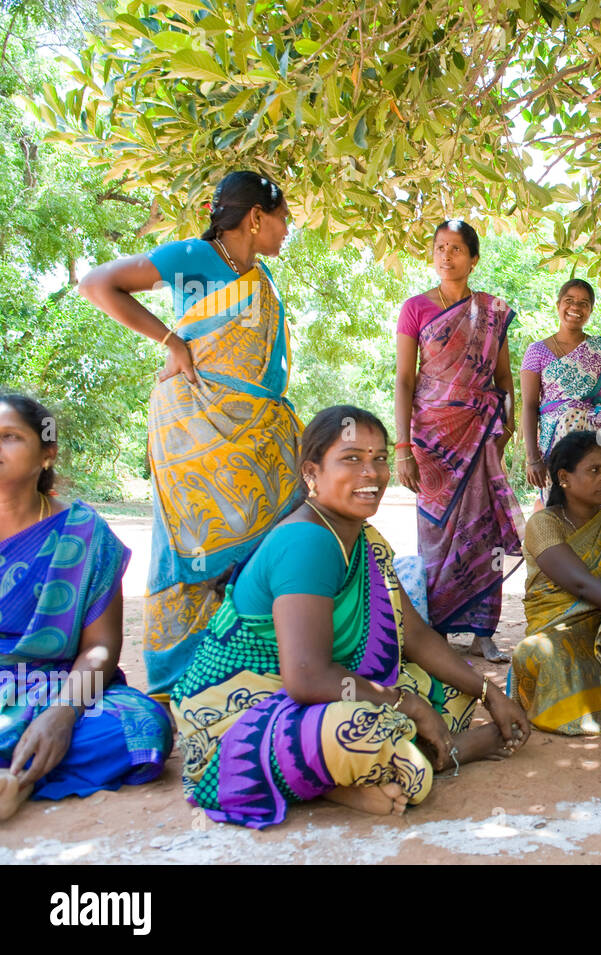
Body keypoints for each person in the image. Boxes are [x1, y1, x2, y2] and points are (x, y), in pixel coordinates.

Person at [171, 406, 532, 829]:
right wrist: (410, 706)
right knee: (362, 732)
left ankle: (360, 774)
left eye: (379, 458)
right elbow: (305, 678)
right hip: (240, 716)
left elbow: (415, 636)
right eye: (352, 458)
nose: (372, 473)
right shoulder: (307, 541)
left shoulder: (364, 539)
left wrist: (493, 695)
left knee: (454, 690)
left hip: (316, 696)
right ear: (312, 472)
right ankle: (435, 756)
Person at [78, 171, 301, 695]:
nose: (287, 230)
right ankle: (186, 677)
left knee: (270, 537)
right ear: (255, 217)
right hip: (193, 426)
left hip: (254, 432)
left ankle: (252, 661)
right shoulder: (192, 258)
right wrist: (170, 339)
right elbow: (95, 283)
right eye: (283, 219)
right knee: (194, 544)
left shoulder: (261, 277)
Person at [1, 396, 171, 821]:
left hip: (58, 684)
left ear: (47, 453)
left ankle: (16, 772)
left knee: (141, 726)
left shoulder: (83, 532)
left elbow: (99, 649)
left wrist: (62, 712)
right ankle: (19, 775)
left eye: (9, 437)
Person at [395, 219, 525, 663]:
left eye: (455, 249)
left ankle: (483, 631)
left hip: (481, 434)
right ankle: (437, 630)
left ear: (473, 258)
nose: (446, 256)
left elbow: (505, 381)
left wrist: (503, 433)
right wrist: (402, 448)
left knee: (482, 530)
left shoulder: (493, 310)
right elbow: (404, 380)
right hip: (431, 439)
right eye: (439, 248)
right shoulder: (415, 308)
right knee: (435, 533)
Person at [510, 432, 601, 735]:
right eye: (594, 470)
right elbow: (581, 585)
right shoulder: (543, 524)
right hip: (560, 629)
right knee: (540, 653)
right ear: (564, 477)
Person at [521, 279, 601, 505]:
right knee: (561, 506)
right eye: (569, 301)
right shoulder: (536, 352)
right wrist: (532, 458)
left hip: (599, 439)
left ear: (591, 310)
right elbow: (529, 406)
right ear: (558, 305)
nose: (576, 307)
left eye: (584, 303)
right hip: (556, 441)